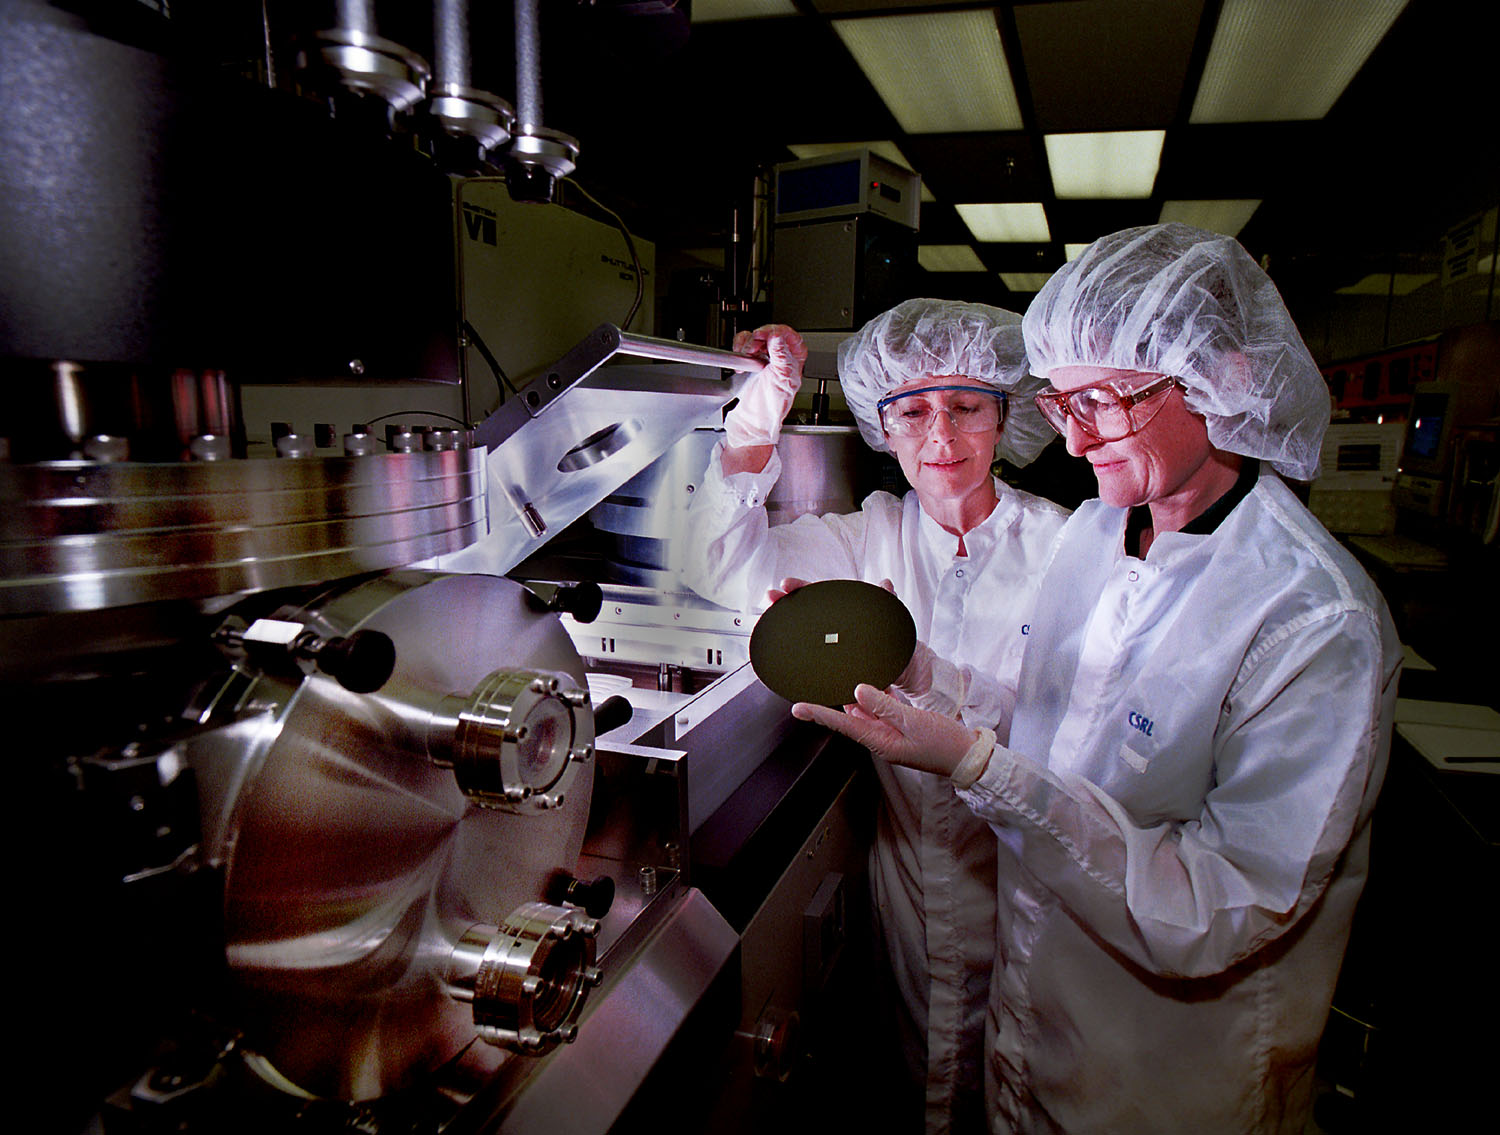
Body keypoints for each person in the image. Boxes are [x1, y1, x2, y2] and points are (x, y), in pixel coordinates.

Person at [789, 224, 1401, 1134]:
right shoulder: (1097, 537)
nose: (1070, 445)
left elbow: (1217, 905)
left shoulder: (1309, 618)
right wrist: (925, 673)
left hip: (1164, 1080)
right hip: (1035, 1038)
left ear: (1220, 377)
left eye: (1100, 405)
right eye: (1062, 406)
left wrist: (978, 768)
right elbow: (1053, 728)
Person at [681, 299, 1069, 1133]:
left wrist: (930, 677)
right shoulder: (867, 538)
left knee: (1023, 1089)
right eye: (913, 411)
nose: (943, 437)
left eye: (967, 406)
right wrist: (758, 416)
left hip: (1029, 886)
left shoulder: (1070, 552)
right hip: (909, 885)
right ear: (882, 427)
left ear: (1006, 413)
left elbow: (1076, 740)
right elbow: (719, 571)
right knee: (915, 1079)